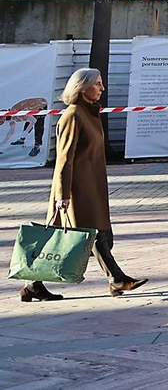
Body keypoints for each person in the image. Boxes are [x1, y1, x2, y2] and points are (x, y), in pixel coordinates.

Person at [20, 68, 148, 302]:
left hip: (91, 186)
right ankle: (115, 280)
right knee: (70, 235)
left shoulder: (90, 114)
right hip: (75, 189)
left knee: (95, 234)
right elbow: (64, 159)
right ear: (82, 87)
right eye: (97, 84)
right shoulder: (73, 115)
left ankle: (115, 280)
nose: (102, 88)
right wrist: (62, 194)